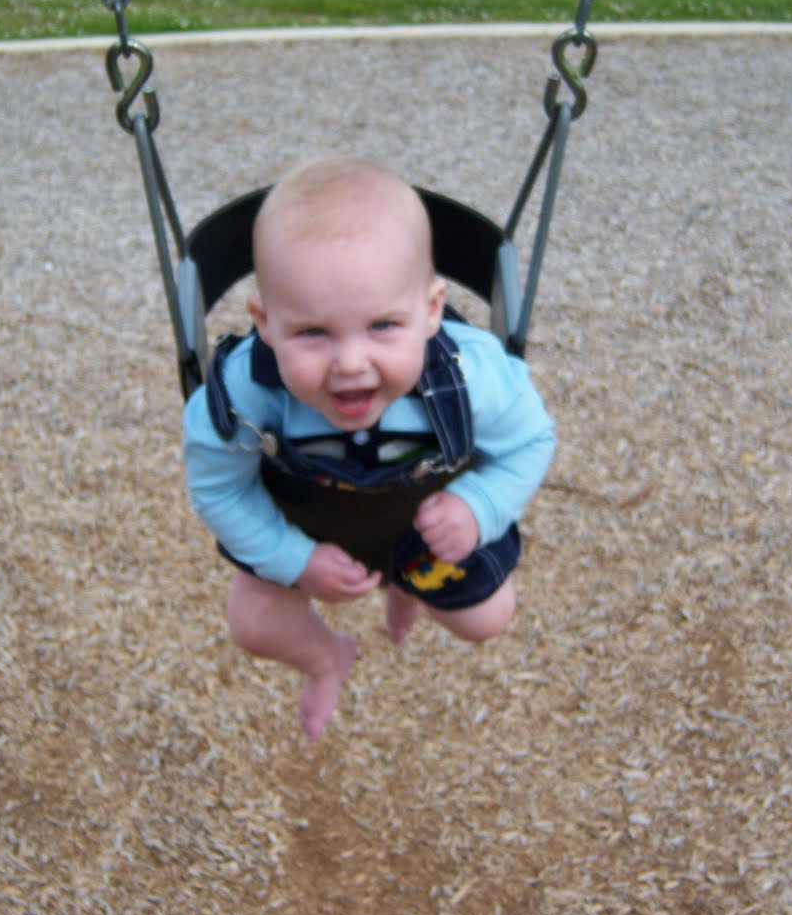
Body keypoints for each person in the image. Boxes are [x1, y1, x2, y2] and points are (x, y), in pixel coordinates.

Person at [182, 157, 556, 741]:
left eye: (383, 325)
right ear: (264, 323)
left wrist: (478, 507)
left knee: (489, 617)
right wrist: (293, 560)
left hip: (427, 528)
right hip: (300, 527)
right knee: (253, 624)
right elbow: (219, 489)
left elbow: (531, 441)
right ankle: (326, 658)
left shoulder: (473, 376)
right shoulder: (243, 394)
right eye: (313, 332)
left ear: (432, 310)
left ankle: (407, 583)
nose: (351, 364)